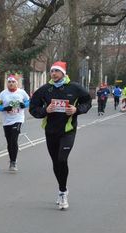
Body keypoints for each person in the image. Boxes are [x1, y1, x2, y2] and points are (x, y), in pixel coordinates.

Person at [29, 61, 91, 210]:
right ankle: (61, 188)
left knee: (62, 159)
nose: (54, 74)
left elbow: (87, 101)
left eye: (57, 71)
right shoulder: (45, 90)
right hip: (50, 131)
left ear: (63, 73)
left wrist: (77, 109)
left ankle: (63, 193)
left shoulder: (74, 88)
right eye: (52, 71)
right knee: (56, 163)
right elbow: (33, 108)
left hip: (68, 130)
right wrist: (45, 110)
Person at [0, 74, 30, 171]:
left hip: (18, 119)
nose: (11, 84)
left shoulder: (22, 92)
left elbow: (28, 101)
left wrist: (24, 105)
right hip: (7, 121)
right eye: (9, 82)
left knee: (14, 139)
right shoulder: (3, 94)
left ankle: (13, 162)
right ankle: (11, 159)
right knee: (9, 141)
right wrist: (4, 108)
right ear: (7, 83)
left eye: (13, 82)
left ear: (17, 83)